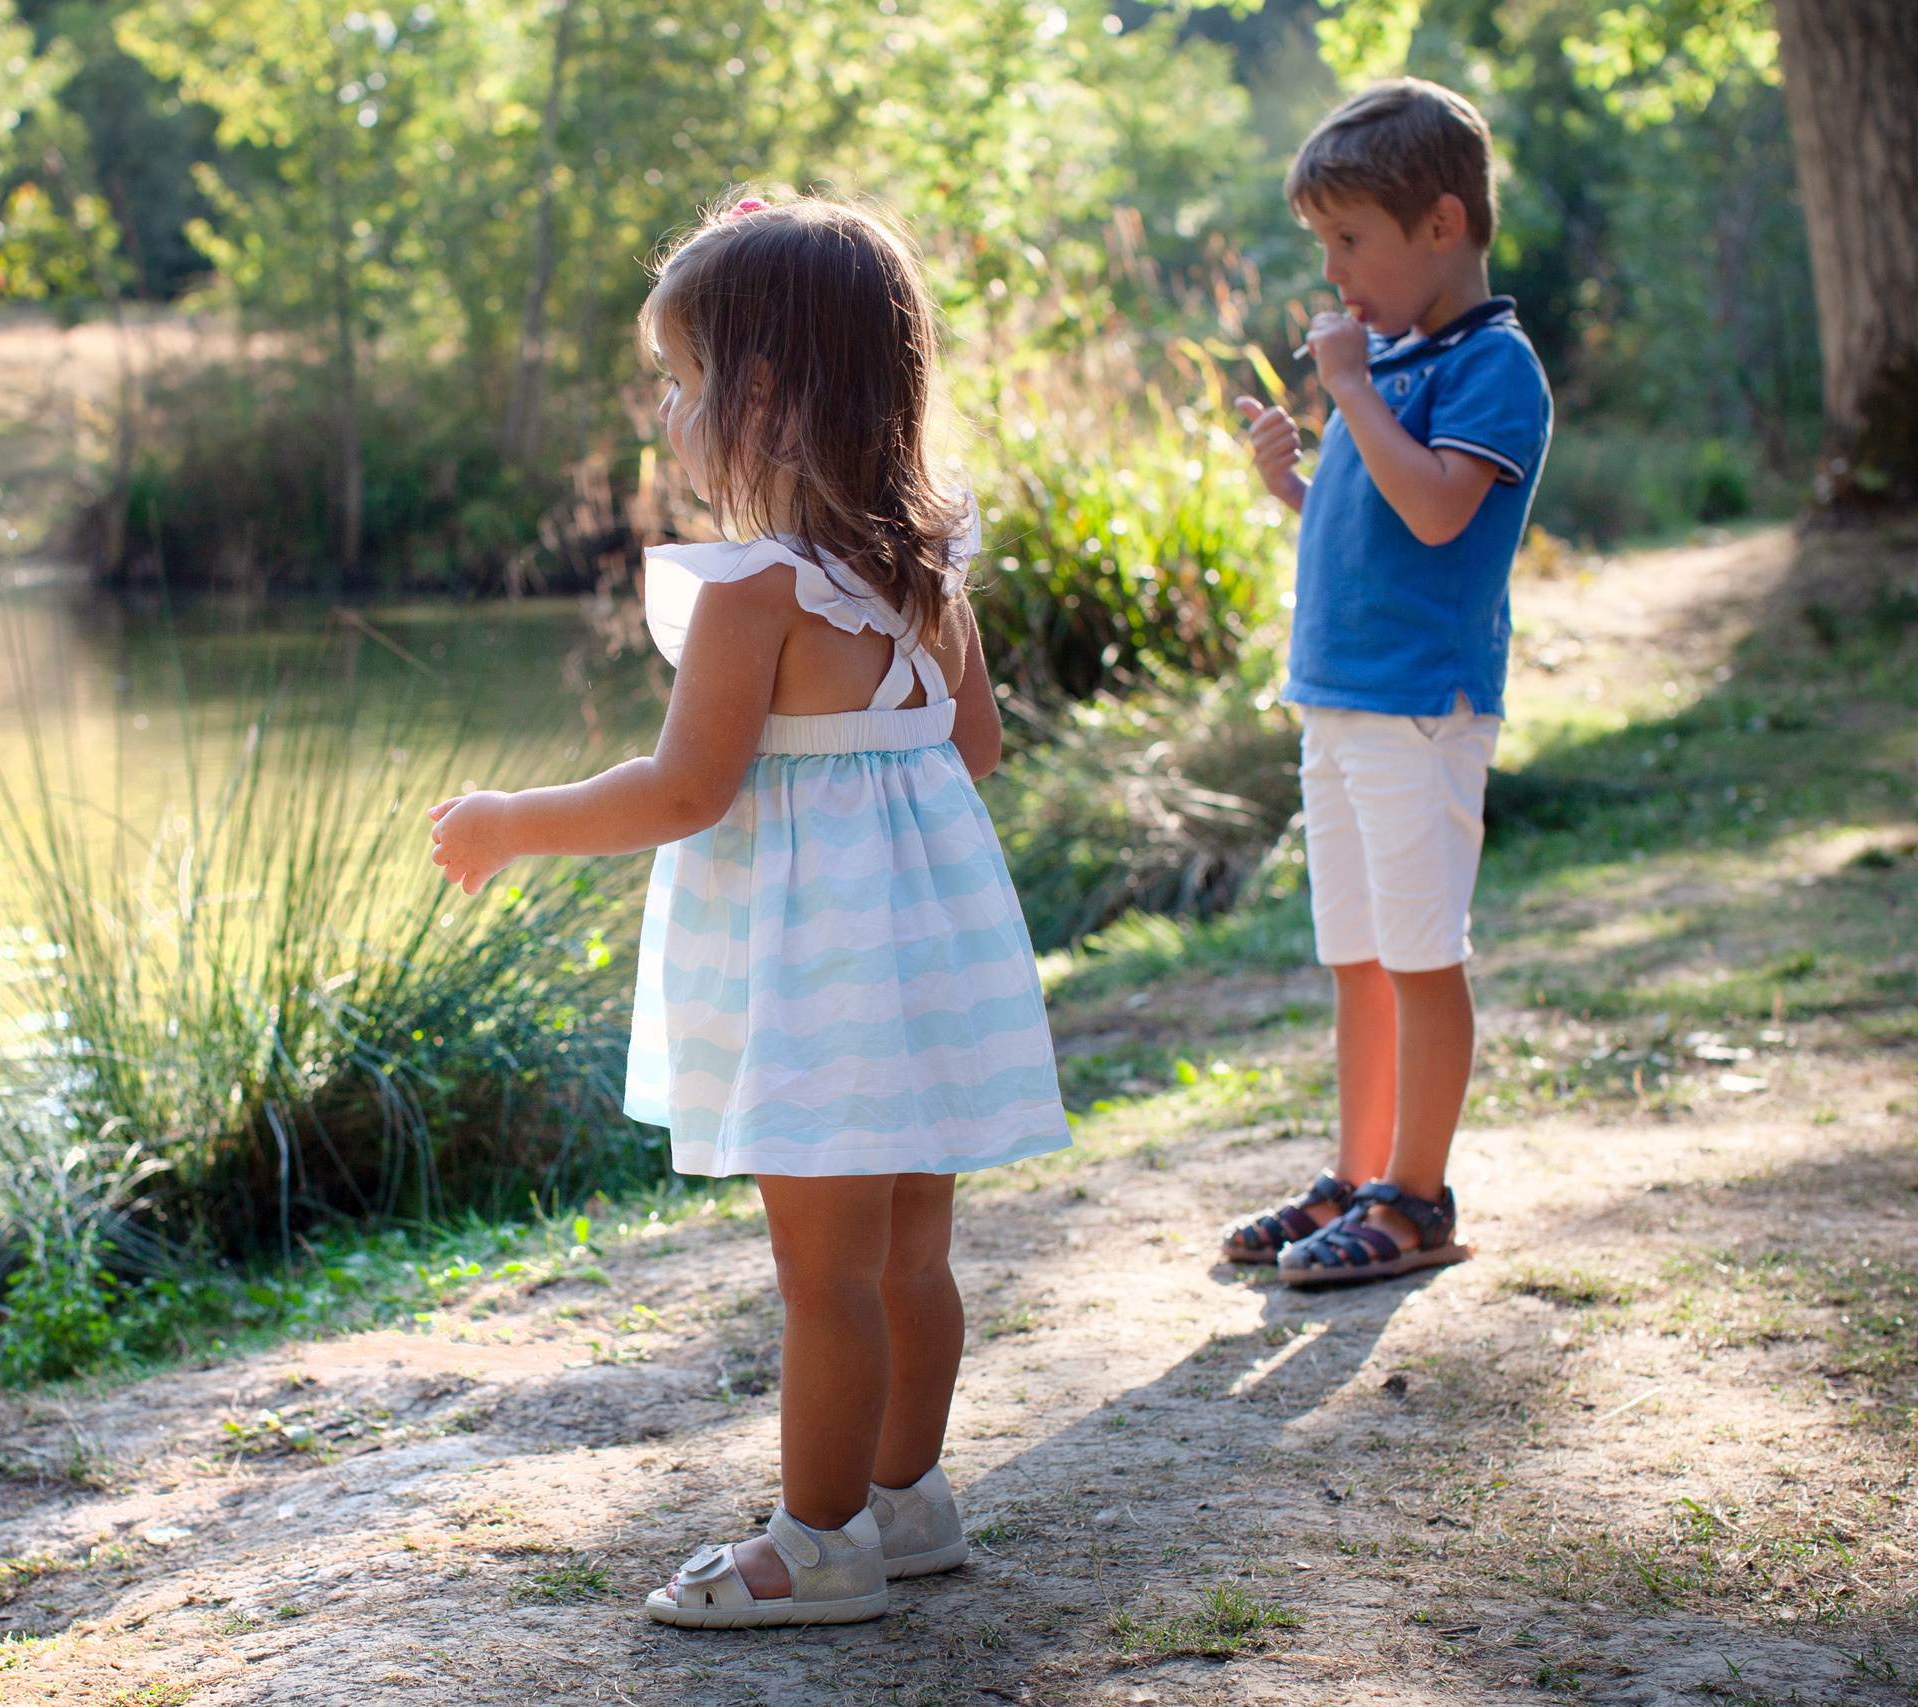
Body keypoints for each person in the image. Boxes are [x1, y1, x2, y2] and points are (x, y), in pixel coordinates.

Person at [427, 189, 1071, 1627]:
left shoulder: (756, 590)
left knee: (820, 1276)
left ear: (764, 394)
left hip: (817, 973)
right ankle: (906, 1502)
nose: (672, 411)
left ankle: (818, 1538)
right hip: (927, 957)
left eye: (685, 379)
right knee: (912, 1256)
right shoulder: (924, 565)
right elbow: (976, 749)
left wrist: (509, 821)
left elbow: (683, 791)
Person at [1224, 79, 1552, 1287]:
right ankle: (1358, 1173)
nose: (1334, 271)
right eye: (1323, 244)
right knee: (1356, 955)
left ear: (1443, 226)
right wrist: (1292, 490)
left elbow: (1435, 511)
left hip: (1420, 709)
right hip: (1339, 697)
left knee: (1420, 955)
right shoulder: (1399, 359)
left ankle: (1417, 1199)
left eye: (1348, 241)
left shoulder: (1489, 367)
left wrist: (1351, 392)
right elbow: (1366, 531)